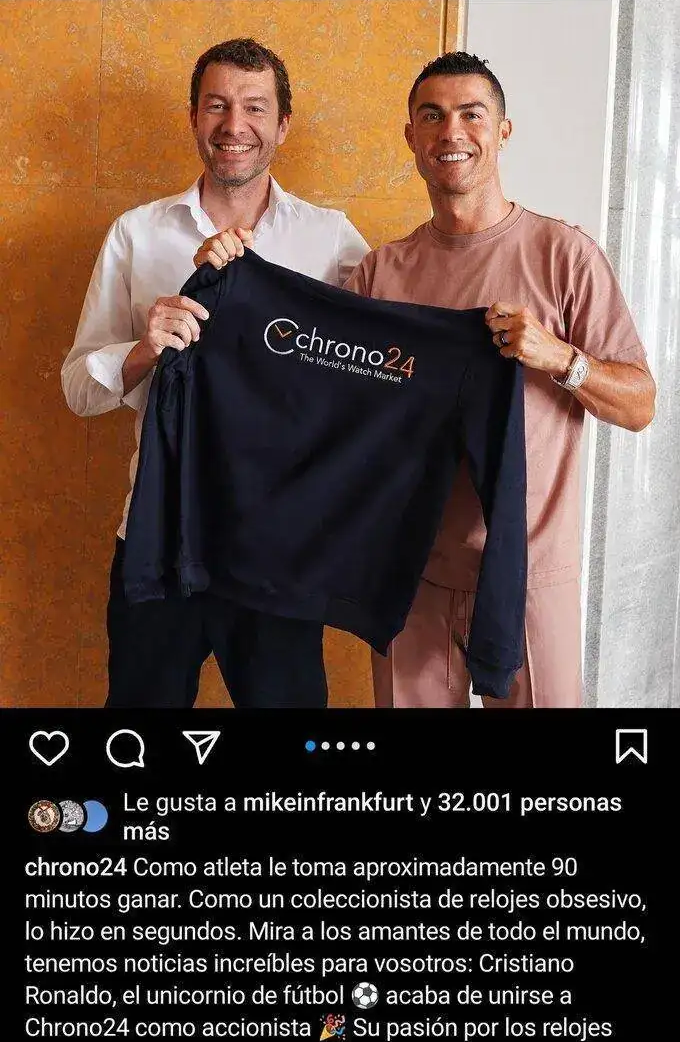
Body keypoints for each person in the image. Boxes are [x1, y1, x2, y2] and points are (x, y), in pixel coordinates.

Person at [342, 51, 656, 708]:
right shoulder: (380, 274)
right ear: (411, 135)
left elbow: (639, 405)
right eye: (432, 116)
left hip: (532, 574)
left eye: (471, 114)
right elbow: (340, 419)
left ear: (503, 131)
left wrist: (559, 357)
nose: (451, 132)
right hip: (413, 573)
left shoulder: (564, 255)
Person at [61, 38, 369, 708]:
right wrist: (143, 350)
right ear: (194, 117)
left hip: (279, 545)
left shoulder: (332, 240)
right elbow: (79, 391)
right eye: (217, 106)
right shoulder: (137, 234)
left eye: (255, 107)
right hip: (157, 537)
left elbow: (372, 378)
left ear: (283, 125)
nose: (235, 125)